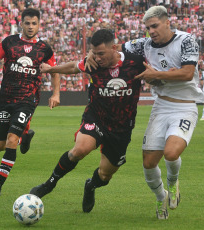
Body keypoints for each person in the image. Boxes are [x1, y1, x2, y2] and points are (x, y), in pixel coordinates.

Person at [86, 6, 204, 220]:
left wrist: (156, 75)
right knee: (148, 163)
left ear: (167, 23)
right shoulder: (144, 44)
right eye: (148, 27)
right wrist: (91, 54)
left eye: (155, 26)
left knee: (170, 153)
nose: (151, 31)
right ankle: (161, 197)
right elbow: (111, 48)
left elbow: (188, 73)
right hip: (161, 107)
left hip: (185, 106)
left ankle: (172, 181)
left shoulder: (186, 40)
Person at [29, 29, 146, 213]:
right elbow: (74, 67)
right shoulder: (93, 63)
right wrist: (51, 69)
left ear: (114, 48)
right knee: (80, 149)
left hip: (121, 128)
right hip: (96, 117)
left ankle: (90, 186)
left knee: (105, 174)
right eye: (94, 53)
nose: (97, 58)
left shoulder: (136, 62)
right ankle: (49, 184)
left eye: (101, 53)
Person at [0, 8, 60, 196]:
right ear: (21, 23)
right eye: (27, 23)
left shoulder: (44, 49)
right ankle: (25, 137)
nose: (31, 27)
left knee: (11, 139)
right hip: (5, 98)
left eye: (34, 23)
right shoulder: (9, 42)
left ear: (39, 24)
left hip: (27, 100)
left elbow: (55, 71)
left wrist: (56, 94)